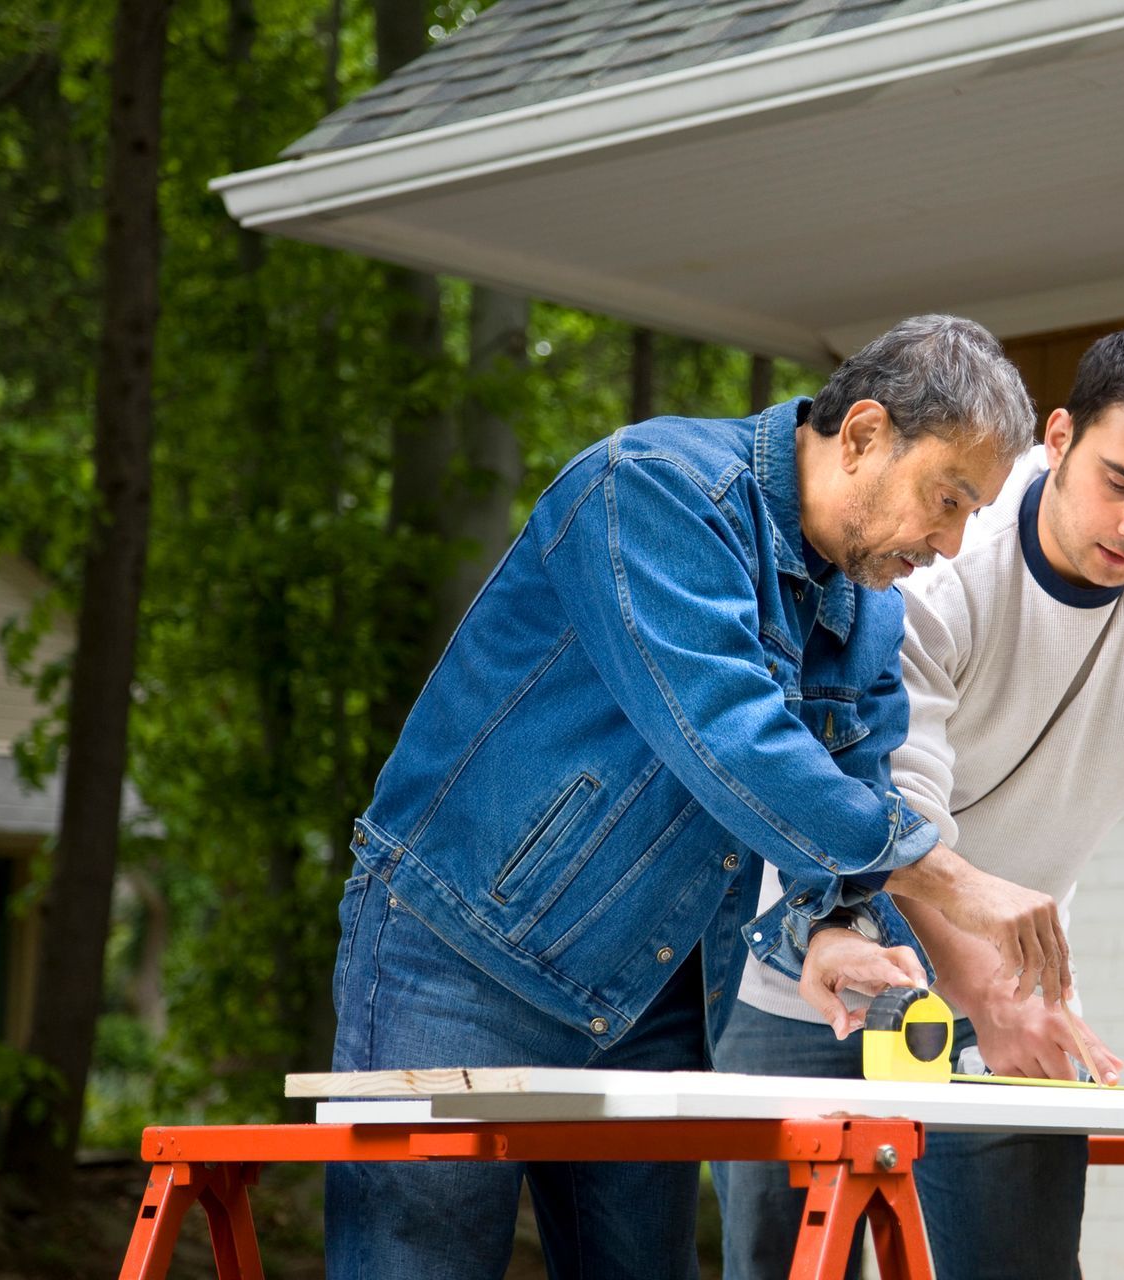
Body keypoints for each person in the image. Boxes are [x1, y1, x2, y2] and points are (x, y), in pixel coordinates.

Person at [324, 315, 1079, 1280]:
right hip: (462, 949)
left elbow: (852, 785)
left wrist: (838, 924)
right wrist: (954, 882)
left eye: (975, 511)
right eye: (948, 497)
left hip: (650, 986)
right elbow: (728, 735)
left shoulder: (868, 608)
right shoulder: (652, 490)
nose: (954, 540)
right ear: (862, 436)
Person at [714, 322, 1124, 1280]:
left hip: (1011, 998)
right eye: (1120, 483)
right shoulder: (938, 550)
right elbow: (890, 812)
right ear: (1059, 439)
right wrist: (986, 992)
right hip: (810, 971)